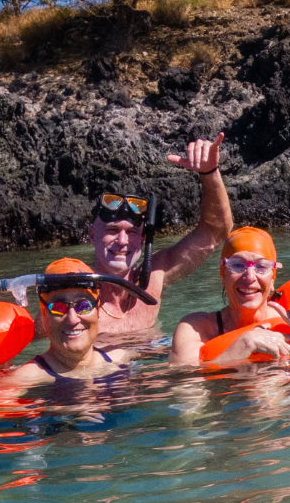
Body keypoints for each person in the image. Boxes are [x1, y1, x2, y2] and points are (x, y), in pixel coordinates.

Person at [80, 134, 234, 347]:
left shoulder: (153, 278)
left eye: (132, 232)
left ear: (143, 240)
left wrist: (210, 174)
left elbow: (216, 233)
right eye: (112, 230)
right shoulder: (76, 299)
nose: (123, 241)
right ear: (92, 235)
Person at [171, 228, 290, 368]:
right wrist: (243, 345)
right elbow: (185, 386)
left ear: (273, 279)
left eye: (261, 266)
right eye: (237, 265)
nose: (249, 277)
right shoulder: (196, 328)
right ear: (223, 276)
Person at [0, 259, 135, 388]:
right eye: (58, 308)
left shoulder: (121, 357)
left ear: (98, 310)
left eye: (83, 306)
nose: (72, 319)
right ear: (44, 315)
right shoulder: (24, 378)